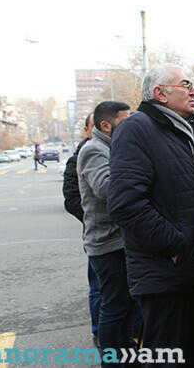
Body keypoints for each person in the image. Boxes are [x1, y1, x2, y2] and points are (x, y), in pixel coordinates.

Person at [108, 64, 194, 367]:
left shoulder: (179, 129)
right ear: (160, 93)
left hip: (189, 272)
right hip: (166, 276)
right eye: (186, 84)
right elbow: (125, 204)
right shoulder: (138, 128)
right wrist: (176, 246)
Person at [78, 101, 132, 364]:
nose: (131, 125)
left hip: (119, 241)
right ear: (105, 125)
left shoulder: (112, 147)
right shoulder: (94, 150)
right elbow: (107, 189)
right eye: (125, 121)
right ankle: (111, 361)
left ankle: (126, 354)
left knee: (124, 305)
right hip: (107, 243)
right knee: (114, 307)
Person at [62, 113, 101, 347]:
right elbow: (71, 200)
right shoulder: (77, 158)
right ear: (87, 130)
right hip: (97, 236)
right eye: (94, 126)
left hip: (122, 237)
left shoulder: (116, 150)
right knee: (98, 288)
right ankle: (99, 332)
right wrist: (91, 219)